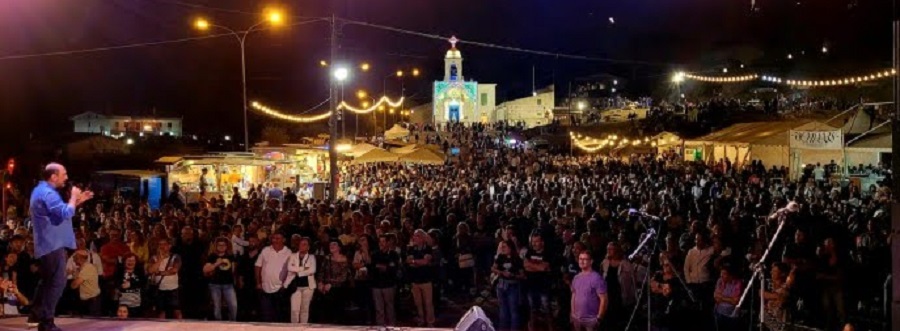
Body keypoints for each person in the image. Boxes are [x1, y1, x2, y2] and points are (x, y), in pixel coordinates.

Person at [29, 163, 93, 331]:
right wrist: (73, 196)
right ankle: (46, 321)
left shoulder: (41, 191)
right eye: (63, 174)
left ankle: (36, 313)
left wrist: (79, 201)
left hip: (48, 242)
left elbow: (59, 213)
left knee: (47, 280)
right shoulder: (48, 193)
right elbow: (65, 213)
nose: (66, 177)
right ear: (53, 176)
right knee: (57, 282)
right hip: (52, 243)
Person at [570, 251, 608, 331]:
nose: (582, 261)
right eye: (580, 259)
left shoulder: (596, 278)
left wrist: (599, 318)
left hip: (591, 319)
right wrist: (573, 313)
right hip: (577, 318)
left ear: (591, 261)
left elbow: (604, 299)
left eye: (585, 259)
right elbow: (574, 295)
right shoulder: (576, 278)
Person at [203, 237, 237, 321]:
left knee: (233, 305)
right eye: (219, 245)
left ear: (227, 246)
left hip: (228, 284)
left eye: (223, 245)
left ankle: (233, 323)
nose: (221, 247)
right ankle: (218, 325)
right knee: (216, 307)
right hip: (215, 284)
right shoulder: (212, 256)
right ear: (216, 246)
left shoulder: (230, 256)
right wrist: (216, 264)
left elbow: (234, 270)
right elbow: (205, 270)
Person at [286, 236, 316, 324]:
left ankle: (303, 327)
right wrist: (304, 269)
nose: (302, 246)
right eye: (301, 244)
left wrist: (299, 272)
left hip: (308, 287)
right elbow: (289, 268)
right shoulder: (292, 256)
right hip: (295, 286)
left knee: (304, 309)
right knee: (294, 310)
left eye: (305, 244)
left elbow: (312, 270)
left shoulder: (311, 257)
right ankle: (294, 328)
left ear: (308, 247)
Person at [68, 249, 101, 316]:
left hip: (92, 302)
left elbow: (75, 285)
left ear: (79, 258)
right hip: (84, 302)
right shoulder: (80, 269)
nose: (73, 259)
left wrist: (71, 284)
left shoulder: (88, 268)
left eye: (74, 257)